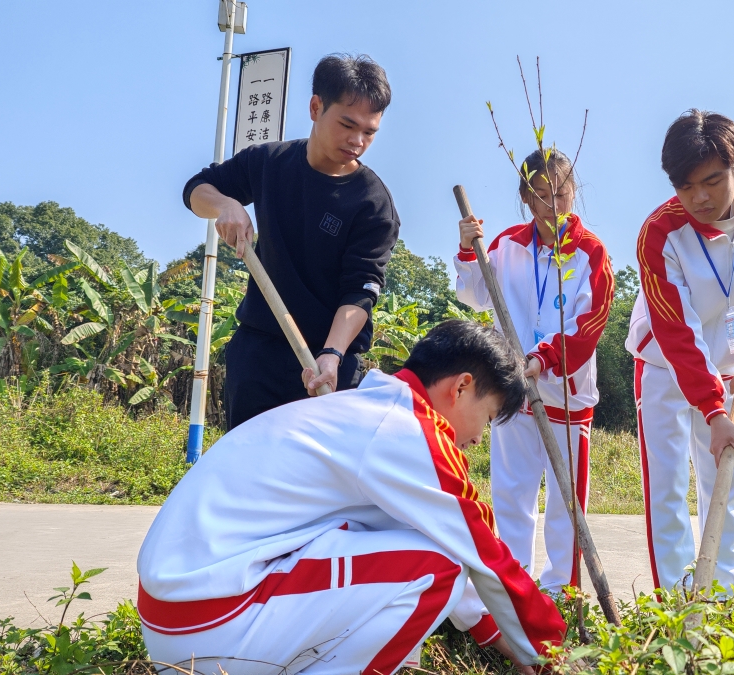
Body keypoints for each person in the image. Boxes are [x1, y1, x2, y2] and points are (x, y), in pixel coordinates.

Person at [137, 320, 564, 675]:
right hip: (212, 625)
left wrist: (492, 633)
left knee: (428, 550)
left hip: (179, 616)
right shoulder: (410, 431)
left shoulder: (367, 409)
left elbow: (434, 533)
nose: (477, 438)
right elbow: (481, 552)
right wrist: (553, 655)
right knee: (441, 567)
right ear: (461, 387)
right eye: (487, 418)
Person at [626, 110, 734, 594]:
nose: (698, 197)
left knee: (724, 482)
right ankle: (678, 604)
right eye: (685, 187)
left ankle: (725, 598)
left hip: (726, 370)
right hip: (663, 367)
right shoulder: (659, 233)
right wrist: (712, 407)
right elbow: (676, 329)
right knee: (668, 488)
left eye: (712, 181)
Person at [184, 53, 400, 429]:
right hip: (259, 353)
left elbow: (360, 290)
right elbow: (195, 190)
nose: (357, 141)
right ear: (316, 107)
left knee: (320, 484)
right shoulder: (269, 162)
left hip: (329, 362)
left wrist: (331, 354)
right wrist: (226, 203)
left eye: (369, 132)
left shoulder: (372, 203)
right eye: (348, 124)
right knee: (248, 474)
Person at [454, 149, 614, 594]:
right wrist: (469, 250)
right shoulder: (507, 245)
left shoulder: (591, 253)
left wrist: (545, 358)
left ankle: (561, 590)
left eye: (561, 194)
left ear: (574, 192)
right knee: (511, 494)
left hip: (567, 395)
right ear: (525, 198)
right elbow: (474, 296)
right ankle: (516, 585)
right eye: (541, 196)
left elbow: (589, 325)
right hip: (513, 390)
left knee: (567, 501)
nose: (553, 207)